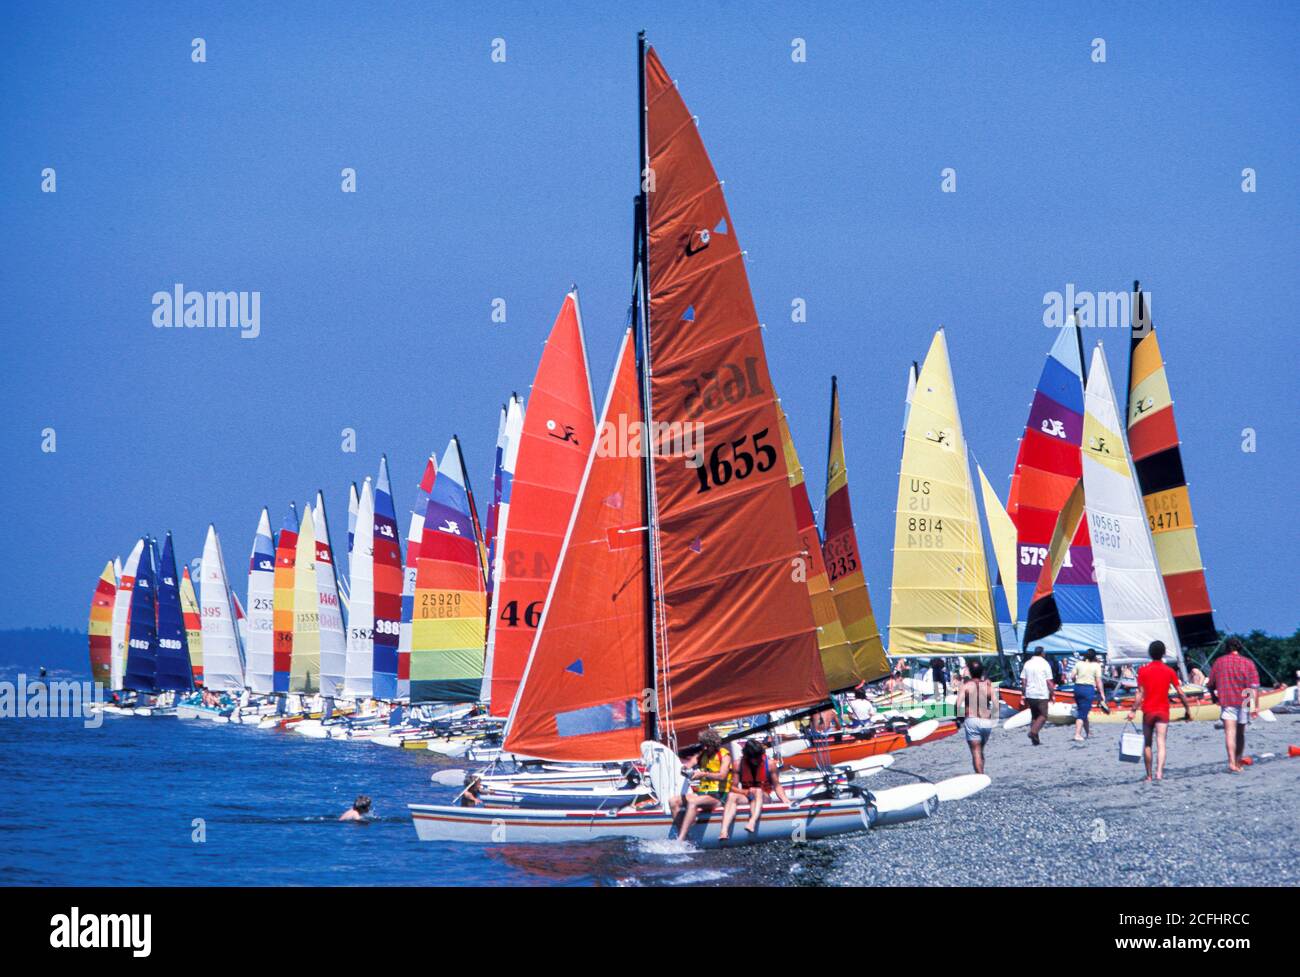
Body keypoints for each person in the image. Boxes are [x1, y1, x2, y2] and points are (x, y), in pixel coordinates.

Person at [1127, 641, 1193, 782]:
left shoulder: (1143, 671)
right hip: (1163, 710)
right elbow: (1180, 693)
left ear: (1150, 653)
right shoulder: (1169, 671)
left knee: (1148, 744)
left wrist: (1133, 710)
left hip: (1148, 711)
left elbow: (1139, 693)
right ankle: (1159, 773)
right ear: (1163, 653)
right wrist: (1188, 709)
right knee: (1161, 742)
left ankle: (1149, 775)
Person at [719, 739, 796, 840]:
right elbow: (733, 787)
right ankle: (724, 831)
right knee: (731, 796)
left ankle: (752, 822)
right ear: (747, 756)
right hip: (748, 797)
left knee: (757, 791)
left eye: (758, 757)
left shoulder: (771, 764)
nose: (757, 760)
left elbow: (777, 785)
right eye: (754, 758)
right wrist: (745, 791)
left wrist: (785, 800)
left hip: (764, 797)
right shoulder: (738, 764)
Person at [1206, 637, 1261, 773]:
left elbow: (1210, 684)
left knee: (1229, 733)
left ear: (1226, 648)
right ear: (1240, 648)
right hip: (1244, 701)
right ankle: (1238, 762)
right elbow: (1254, 688)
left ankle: (1231, 762)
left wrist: (1214, 697)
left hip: (1227, 700)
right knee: (1240, 734)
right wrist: (1255, 707)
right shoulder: (1248, 663)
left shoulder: (1219, 662)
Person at [674, 728, 732, 841]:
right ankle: (684, 835)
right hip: (703, 793)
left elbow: (722, 776)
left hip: (718, 796)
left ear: (714, 744)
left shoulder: (724, 756)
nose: (705, 748)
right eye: (703, 745)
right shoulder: (701, 754)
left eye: (707, 745)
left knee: (693, 802)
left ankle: (680, 840)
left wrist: (703, 774)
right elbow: (688, 765)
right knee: (673, 801)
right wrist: (685, 770)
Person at [958, 661, 996, 773]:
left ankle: (980, 775)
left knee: (976, 750)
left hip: (972, 719)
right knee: (980, 749)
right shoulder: (988, 686)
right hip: (986, 721)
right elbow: (996, 703)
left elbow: (958, 704)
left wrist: (959, 719)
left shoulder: (966, 686)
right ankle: (981, 771)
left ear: (970, 672)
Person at [1021, 647, 1055, 745]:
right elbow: (1049, 681)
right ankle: (1033, 732)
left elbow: (1023, 681)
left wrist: (1023, 694)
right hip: (1041, 693)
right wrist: (1052, 693)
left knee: (1035, 716)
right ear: (1042, 653)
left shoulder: (1027, 663)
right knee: (1043, 715)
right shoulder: (1045, 663)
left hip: (1030, 693)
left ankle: (1035, 740)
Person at [1072, 649, 1106, 741]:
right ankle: (1077, 734)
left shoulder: (1079, 663)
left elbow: (1072, 676)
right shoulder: (1096, 666)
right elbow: (1098, 681)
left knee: (1083, 711)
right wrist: (1102, 694)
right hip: (1088, 689)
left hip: (1077, 688)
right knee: (1082, 713)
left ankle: (1087, 733)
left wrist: (1076, 682)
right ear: (1094, 657)